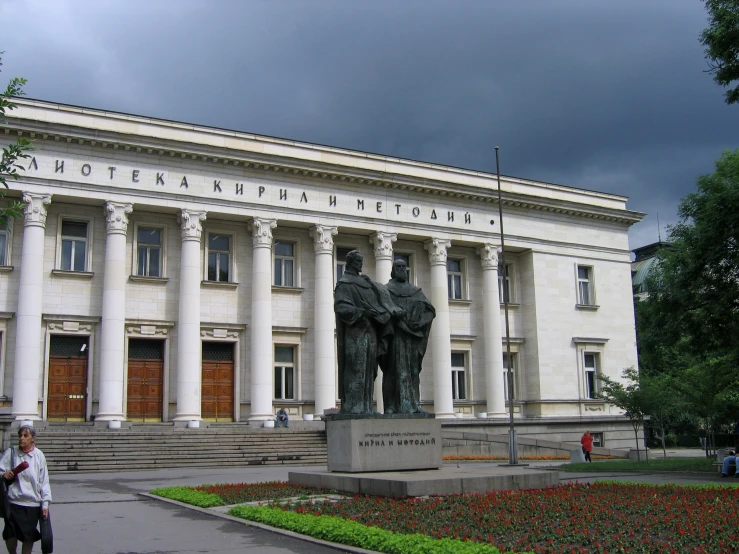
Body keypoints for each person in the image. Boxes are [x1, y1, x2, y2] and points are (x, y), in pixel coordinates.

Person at [334, 250, 397, 414]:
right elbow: (341, 307)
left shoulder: (364, 282)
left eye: (361, 261)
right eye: (358, 261)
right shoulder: (344, 283)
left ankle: (366, 407)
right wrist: (363, 313)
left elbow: (378, 302)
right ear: (350, 262)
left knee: (370, 370)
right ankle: (353, 407)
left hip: (370, 333)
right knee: (355, 368)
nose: (360, 264)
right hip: (355, 334)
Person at [378, 258, 436, 415]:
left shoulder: (416, 291)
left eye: (404, 266)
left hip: (412, 338)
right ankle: (390, 405)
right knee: (391, 370)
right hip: (394, 336)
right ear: (393, 270)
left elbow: (430, 311)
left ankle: (414, 404)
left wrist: (420, 322)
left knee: (412, 371)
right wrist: (393, 314)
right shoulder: (386, 290)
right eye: (398, 267)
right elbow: (381, 310)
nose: (402, 269)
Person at [0, 425, 51, 554]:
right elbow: (0, 469)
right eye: (20, 435)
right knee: (10, 533)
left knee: (28, 536)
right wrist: (4, 474)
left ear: (33, 438)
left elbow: (44, 481)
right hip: (13, 502)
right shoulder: (11, 453)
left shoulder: (39, 456)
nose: (21, 438)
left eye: (25, 436)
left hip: (31, 504)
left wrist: (45, 504)